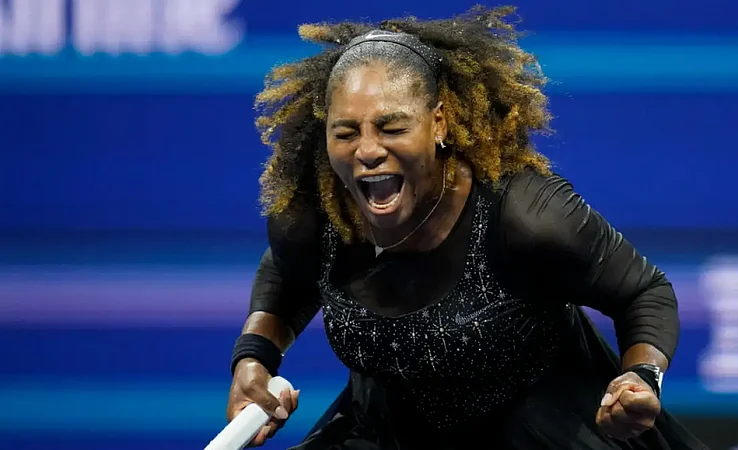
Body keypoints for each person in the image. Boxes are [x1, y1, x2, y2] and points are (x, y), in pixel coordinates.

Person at [226, 5, 708, 449]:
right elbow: (286, 276)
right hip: (386, 432)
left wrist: (640, 377)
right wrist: (254, 358)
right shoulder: (313, 217)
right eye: (346, 132)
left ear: (439, 123)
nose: (367, 151)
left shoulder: (529, 218)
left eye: (392, 128)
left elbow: (644, 292)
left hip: (542, 431)